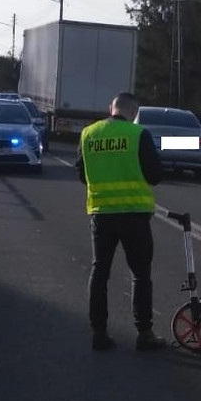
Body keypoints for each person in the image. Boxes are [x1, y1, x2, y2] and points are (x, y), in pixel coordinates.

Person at [75, 92, 165, 351]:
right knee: (140, 275)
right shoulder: (138, 135)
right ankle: (145, 333)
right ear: (134, 112)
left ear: (110, 108)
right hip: (134, 215)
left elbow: (81, 174)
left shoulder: (88, 134)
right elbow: (155, 175)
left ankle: (99, 333)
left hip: (101, 213)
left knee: (99, 272)